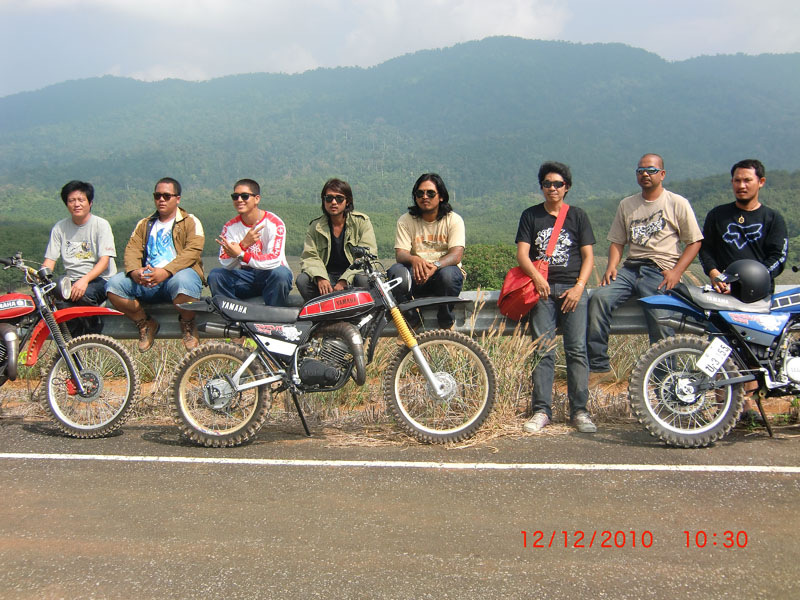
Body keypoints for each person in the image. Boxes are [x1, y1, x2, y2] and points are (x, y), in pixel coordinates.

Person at [587, 154, 703, 382]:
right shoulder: (627, 205)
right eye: (640, 171)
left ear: (662, 174)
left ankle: (665, 380)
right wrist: (611, 266)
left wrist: (677, 272)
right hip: (631, 269)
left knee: (660, 319)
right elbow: (617, 242)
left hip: (660, 269)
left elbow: (694, 241)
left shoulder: (676, 203)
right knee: (599, 298)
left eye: (651, 170)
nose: (645, 174)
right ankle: (599, 366)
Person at [698, 158, 788, 422]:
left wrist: (756, 278)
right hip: (723, 296)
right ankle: (724, 409)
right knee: (720, 349)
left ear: (761, 182)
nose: (742, 185)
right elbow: (706, 250)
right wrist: (714, 274)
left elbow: (778, 257)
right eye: (737, 180)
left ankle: (748, 408)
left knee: (753, 351)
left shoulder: (772, 218)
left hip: (757, 297)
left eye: (747, 180)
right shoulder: (718, 215)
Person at [516, 162, 597, 434]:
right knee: (543, 351)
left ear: (567, 187)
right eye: (547, 184)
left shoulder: (577, 216)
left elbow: (588, 256)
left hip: (573, 289)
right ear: (541, 187)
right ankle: (541, 410)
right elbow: (523, 255)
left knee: (577, 350)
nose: (552, 188)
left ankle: (580, 411)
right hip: (542, 291)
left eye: (558, 184)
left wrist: (579, 287)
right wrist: (538, 279)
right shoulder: (530, 215)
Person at [106, 177, 205, 352]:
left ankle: (188, 323)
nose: (161, 199)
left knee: (185, 282)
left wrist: (166, 271)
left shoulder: (190, 221)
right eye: (157, 195)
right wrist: (135, 271)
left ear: (177, 199)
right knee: (114, 285)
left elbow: (193, 250)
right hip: (148, 278)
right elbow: (132, 249)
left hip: (176, 277)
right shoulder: (144, 224)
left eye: (167, 196)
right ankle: (145, 323)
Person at [387, 173, 465, 330]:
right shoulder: (406, 220)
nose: (425, 197)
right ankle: (412, 320)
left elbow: (456, 255)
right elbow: (400, 253)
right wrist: (415, 260)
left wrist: (435, 266)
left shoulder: (453, 219)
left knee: (448, 275)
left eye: (430, 193)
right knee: (395, 272)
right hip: (417, 275)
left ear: (441, 196)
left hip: (443, 275)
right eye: (420, 193)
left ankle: (445, 321)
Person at [42, 180, 117, 337]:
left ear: (90, 203)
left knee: (83, 294)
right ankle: (73, 342)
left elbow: (104, 262)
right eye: (72, 200)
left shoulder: (101, 225)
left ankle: (93, 334)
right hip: (71, 280)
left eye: (81, 200)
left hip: (100, 279)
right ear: (66, 204)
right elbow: (50, 261)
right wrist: (41, 281)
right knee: (54, 299)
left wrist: (84, 280)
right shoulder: (60, 228)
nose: (76, 204)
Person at [207, 179, 293, 306]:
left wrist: (241, 254)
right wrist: (243, 245)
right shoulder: (230, 227)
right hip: (245, 276)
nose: (239, 200)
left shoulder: (274, 223)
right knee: (215, 276)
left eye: (245, 196)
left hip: (269, 276)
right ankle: (233, 315)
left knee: (281, 274)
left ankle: (273, 315)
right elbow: (225, 263)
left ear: (257, 199)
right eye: (235, 196)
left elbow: (274, 260)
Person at [295, 178, 377, 301]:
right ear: (324, 201)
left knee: (363, 279)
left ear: (347, 201)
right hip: (326, 278)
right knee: (303, 280)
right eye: (329, 198)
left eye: (339, 198)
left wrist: (345, 279)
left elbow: (368, 255)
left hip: (352, 277)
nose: (334, 202)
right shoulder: (315, 226)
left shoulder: (361, 222)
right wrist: (320, 277)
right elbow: (309, 257)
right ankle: (322, 310)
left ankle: (361, 312)